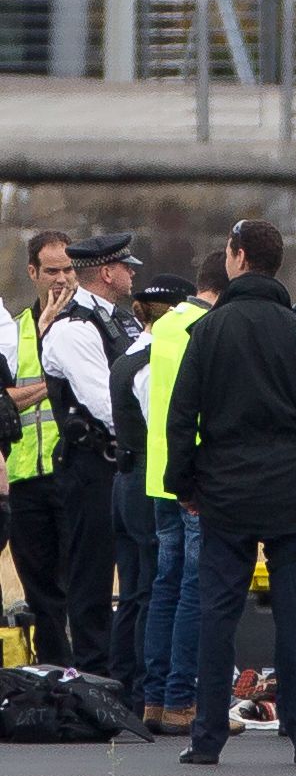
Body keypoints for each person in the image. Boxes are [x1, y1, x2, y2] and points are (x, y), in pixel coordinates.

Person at [165, 219, 296, 766]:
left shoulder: (210, 331)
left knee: (217, 615)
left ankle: (206, 740)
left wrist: (186, 484)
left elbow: (181, 418)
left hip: (225, 491)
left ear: (239, 257)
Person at [41, 232, 144, 677]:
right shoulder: (74, 329)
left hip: (121, 463)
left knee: (134, 570)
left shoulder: (122, 321)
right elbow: (106, 404)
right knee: (92, 574)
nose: (133, 273)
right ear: (106, 272)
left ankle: (125, 672)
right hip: (91, 465)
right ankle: (92, 674)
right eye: (126, 267)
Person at [142, 251, 229, 735]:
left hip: (161, 475)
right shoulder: (209, 327)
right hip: (197, 477)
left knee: (166, 585)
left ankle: (155, 699)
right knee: (197, 588)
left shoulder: (168, 324)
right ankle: (181, 701)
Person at [108, 274, 192, 713]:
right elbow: (159, 423)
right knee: (150, 587)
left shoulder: (129, 356)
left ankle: (124, 682)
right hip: (145, 480)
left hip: (126, 478)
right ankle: (140, 688)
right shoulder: (152, 363)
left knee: (136, 589)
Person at [5, 230, 77, 665]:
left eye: (69, 269)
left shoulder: (92, 324)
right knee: (40, 592)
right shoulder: (14, 333)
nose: (62, 280)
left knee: (79, 584)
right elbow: (2, 397)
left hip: (72, 474)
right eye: (52, 271)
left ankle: (86, 674)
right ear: (32, 273)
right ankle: (56, 674)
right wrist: (52, 383)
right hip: (25, 479)